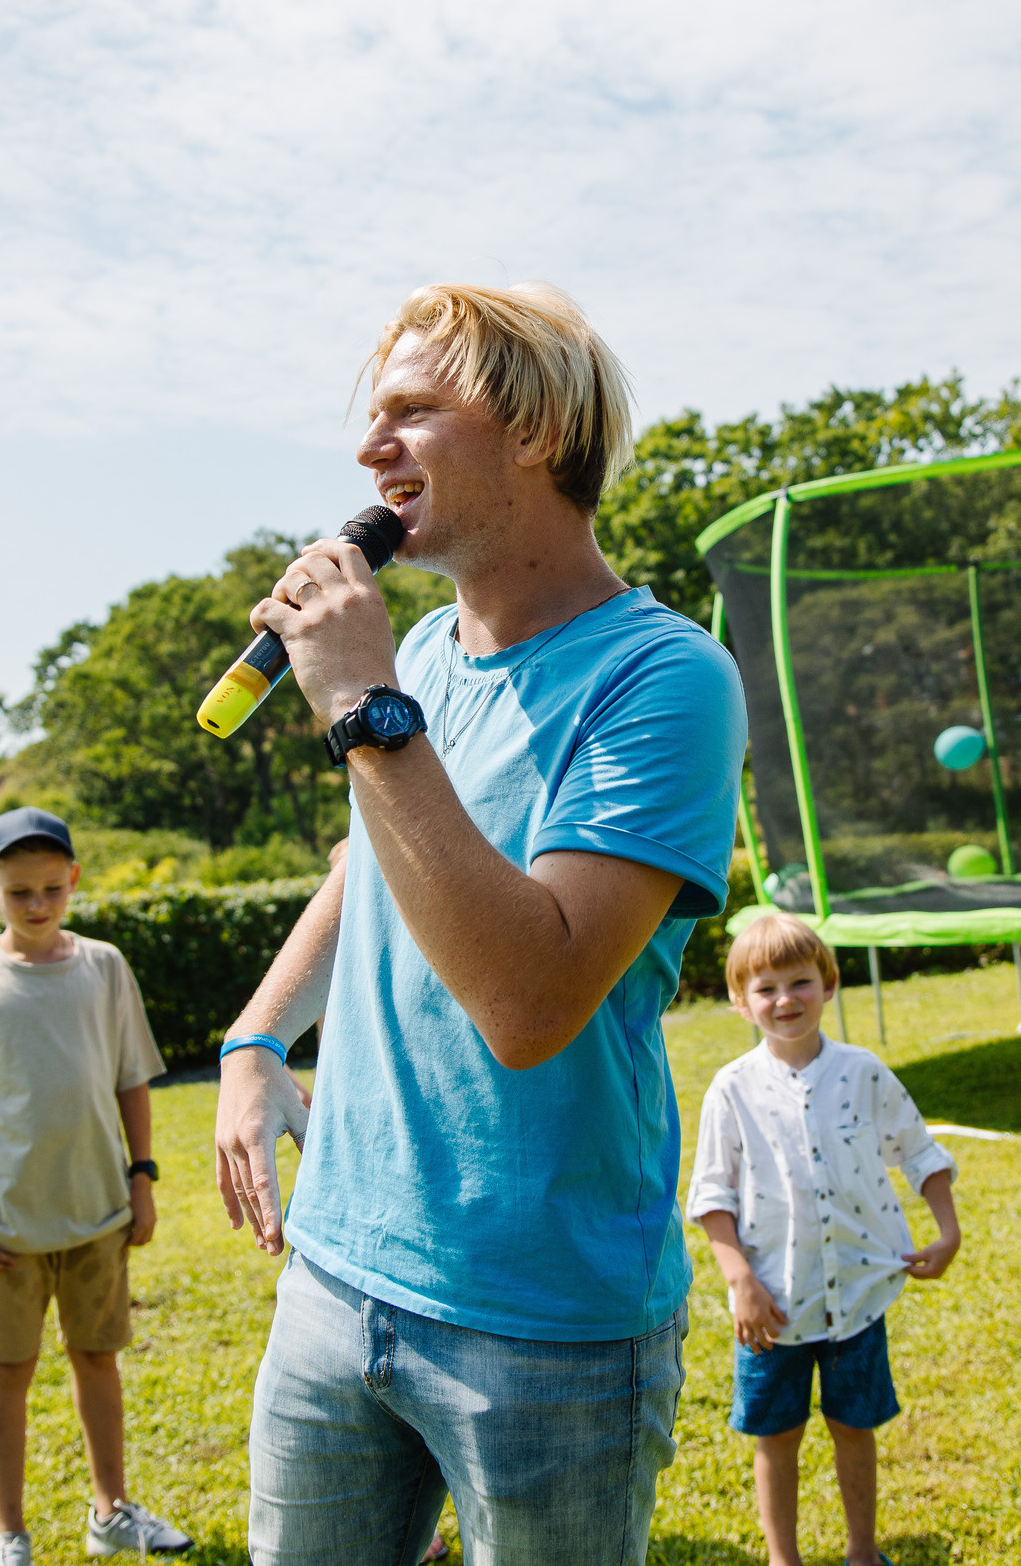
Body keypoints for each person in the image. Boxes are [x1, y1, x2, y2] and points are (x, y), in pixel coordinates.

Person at [210, 282, 748, 1566]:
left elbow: (529, 1004)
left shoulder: (663, 679)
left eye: (411, 412)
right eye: (370, 416)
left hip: (543, 1324)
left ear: (534, 431)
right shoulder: (430, 658)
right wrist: (254, 1036)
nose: (368, 448)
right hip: (334, 1274)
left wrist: (361, 709)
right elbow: (370, 869)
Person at [0, 806, 193, 1566]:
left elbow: (132, 1078)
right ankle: (8, 1532)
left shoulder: (104, 967)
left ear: (74, 881)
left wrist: (142, 1176)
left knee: (98, 1358)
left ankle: (111, 1510)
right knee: (9, 1371)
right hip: (7, 1229)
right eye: (17, 890)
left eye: (51, 889)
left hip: (98, 1211)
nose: (35, 905)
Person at [687, 915, 962, 1566]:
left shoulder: (863, 1073)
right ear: (739, 1000)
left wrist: (948, 1229)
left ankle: (862, 1552)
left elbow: (920, 1151)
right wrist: (741, 1282)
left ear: (829, 983)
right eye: (766, 987)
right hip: (773, 1308)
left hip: (859, 1298)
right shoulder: (731, 1088)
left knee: (854, 1429)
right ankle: (785, 1558)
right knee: (777, 1437)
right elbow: (711, 1197)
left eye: (800, 981)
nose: (785, 999)